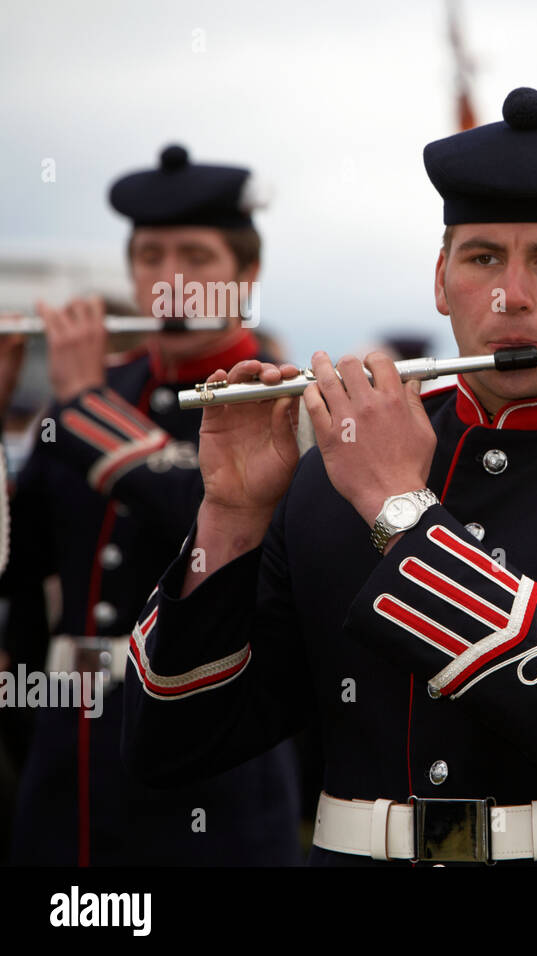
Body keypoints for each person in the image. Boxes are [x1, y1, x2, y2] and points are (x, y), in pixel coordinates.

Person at [120, 88, 537, 866]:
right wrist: (231, 518)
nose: (511, 293)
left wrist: (398, 509)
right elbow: (172, 744)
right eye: (482, 259)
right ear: (442, 280)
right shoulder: (336, 466)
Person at [2, 145, 301, 864]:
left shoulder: (279, 398)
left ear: (246, 276)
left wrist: (81, 407)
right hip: (66, 763)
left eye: (197, 257)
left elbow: (207, 514)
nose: (171, 282)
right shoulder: (94, 395)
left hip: (209, 764)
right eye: (150, 256)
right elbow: (16, 565)